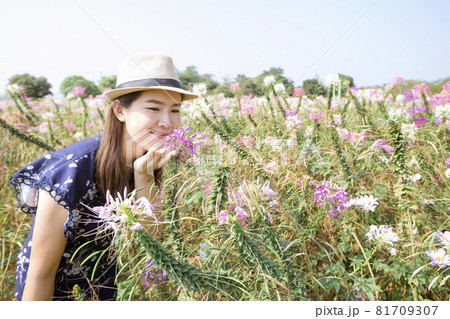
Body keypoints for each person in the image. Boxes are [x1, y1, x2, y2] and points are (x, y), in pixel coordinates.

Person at [9, 53, 198, 301]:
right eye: (154, 108)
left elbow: (151, 240)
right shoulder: (72, 171)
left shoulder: (144, 160)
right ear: (120, 111)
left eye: (175, 110)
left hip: (101, 290)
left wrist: (144, 177)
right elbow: (40, 275)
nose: (167, 122)